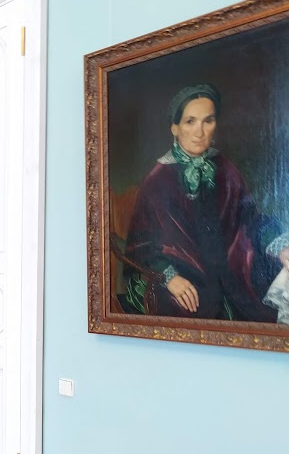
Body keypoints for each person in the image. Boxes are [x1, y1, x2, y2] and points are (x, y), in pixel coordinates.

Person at [123, 83, 289, 322]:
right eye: (190, 121)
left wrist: (280, 245)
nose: (199, 132)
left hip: (231, 271)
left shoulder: (226, 169)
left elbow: (250, 217)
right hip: (182, 277)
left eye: (207, 121)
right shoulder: (157, 180)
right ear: (175, 128)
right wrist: (170, 277)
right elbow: (140, 246)